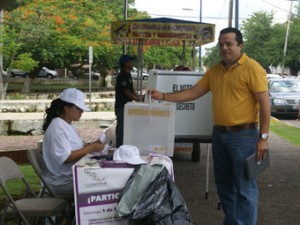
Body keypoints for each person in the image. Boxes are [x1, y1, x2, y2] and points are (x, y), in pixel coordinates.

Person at [150, 27, 270, 225]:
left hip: (244, 136)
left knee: (245, 188)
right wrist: (163, 96)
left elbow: (265, 103)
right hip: (220, 135)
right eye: (221, 44)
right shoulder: (214, 71)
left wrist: (263, 138)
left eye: (229, 44)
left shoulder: (252, 68)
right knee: (224, 186)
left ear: (240, 45)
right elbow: (193, 92)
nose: (224, 48)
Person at [42, 88, 105, 196]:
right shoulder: (57, 127)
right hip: (61, 181)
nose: (82, 111)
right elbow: (66, 157)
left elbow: (77, 147)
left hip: (70, 176)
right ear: (67, 108)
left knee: (103, 177)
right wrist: (91, 148)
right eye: (78, 108)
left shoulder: (66, 125)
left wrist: (93, 144)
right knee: (102, 182)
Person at [115, 54, 141, 147]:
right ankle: (119, 147)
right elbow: (126, 92)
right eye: (130, 61)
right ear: (125, 63)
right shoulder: (122, 76)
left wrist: (138, 97)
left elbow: (131, 90)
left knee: (126, 128)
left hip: (127, 106)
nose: (132, 63)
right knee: (121, 128)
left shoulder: (128, 74)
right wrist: (137, 99)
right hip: (121, 106)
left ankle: (125, 147)